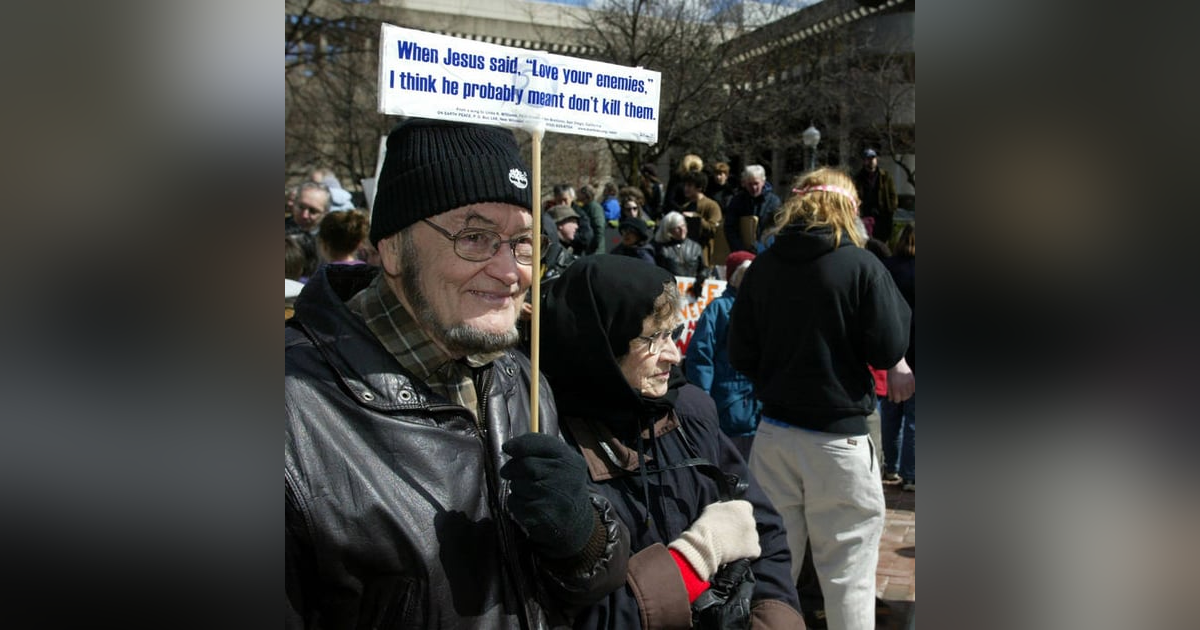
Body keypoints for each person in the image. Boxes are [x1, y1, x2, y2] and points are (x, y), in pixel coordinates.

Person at [285, 119, 629, 629]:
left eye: (523, 242)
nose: (511, 272)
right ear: (394, 249)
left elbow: (583, 592)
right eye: (475, 237)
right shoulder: (287, 412)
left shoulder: (520, 378)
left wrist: (582, 539)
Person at [540, 255, 805, 628]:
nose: (674, 355)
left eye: (672, 333)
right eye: (653, 338)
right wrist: (694, 560)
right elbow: (582, 613)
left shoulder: (688, 412)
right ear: (600, 342)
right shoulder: (551, 450)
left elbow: (764, 531)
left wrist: (773, 620)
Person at [730, 167, 913, 630]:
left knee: (774, 573)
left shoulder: (763, 267)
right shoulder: (860, 266)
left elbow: (741, 353)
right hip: (838, 441)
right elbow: (889, 347)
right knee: (848, 575)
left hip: (774, 433)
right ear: (848, 209)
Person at [685, 251, 760, 460]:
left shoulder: (763, 307)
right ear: (734, 277)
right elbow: (700, 357)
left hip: (758, 409)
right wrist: (703, 401)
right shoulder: (718, 309)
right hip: (728, 406)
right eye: (746, 273)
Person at [880, 223, 916, 491]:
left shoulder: (887, 267)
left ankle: (890, 466)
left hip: (893, 346)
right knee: (915, 416)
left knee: (891, 411)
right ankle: (911, 474)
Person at [723, 165, 781, 254]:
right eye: (750, 184)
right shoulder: (737, 201)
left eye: (756, 183)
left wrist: (761, 248)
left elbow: (776, 228)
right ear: (744, 183)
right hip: (742, 251)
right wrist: (740, 250)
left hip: (766, 251)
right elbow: (730, 228)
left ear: (763, 182)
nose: (754, 188)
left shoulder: (773, 202)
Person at [678, 170, 723, 271]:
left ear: (699, 188)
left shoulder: (711, 206)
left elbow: (714, 229)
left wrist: (697, 218)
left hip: (705, 255)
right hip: (686, 256)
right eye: (685, 185)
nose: (686, 188)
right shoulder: (685, 207)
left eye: (690, 185)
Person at [852, 149, 898, 242]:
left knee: (882, 242)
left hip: (882, 217)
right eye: (868, 159)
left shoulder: (885, 176)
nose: (871, 161)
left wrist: (891, 210)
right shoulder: (858, 178)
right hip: (865, 216)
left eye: (873, 158)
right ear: (864, 161)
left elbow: (893, 196)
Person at [653, 211, 705, 284]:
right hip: (671, 287)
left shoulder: (696, 247)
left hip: (692, 288)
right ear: (669, 230)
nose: (682, 230)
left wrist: (702, 276)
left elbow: (704, 268)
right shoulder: (663, 249)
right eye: (677, 228)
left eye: (683, 226)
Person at [575, 184, 607, 256]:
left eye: (579, 193)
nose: (577, 196)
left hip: (595, 251)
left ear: (585, 194)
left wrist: (594, 246)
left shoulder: (594, 208)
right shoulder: (585, 206)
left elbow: (599, 227)